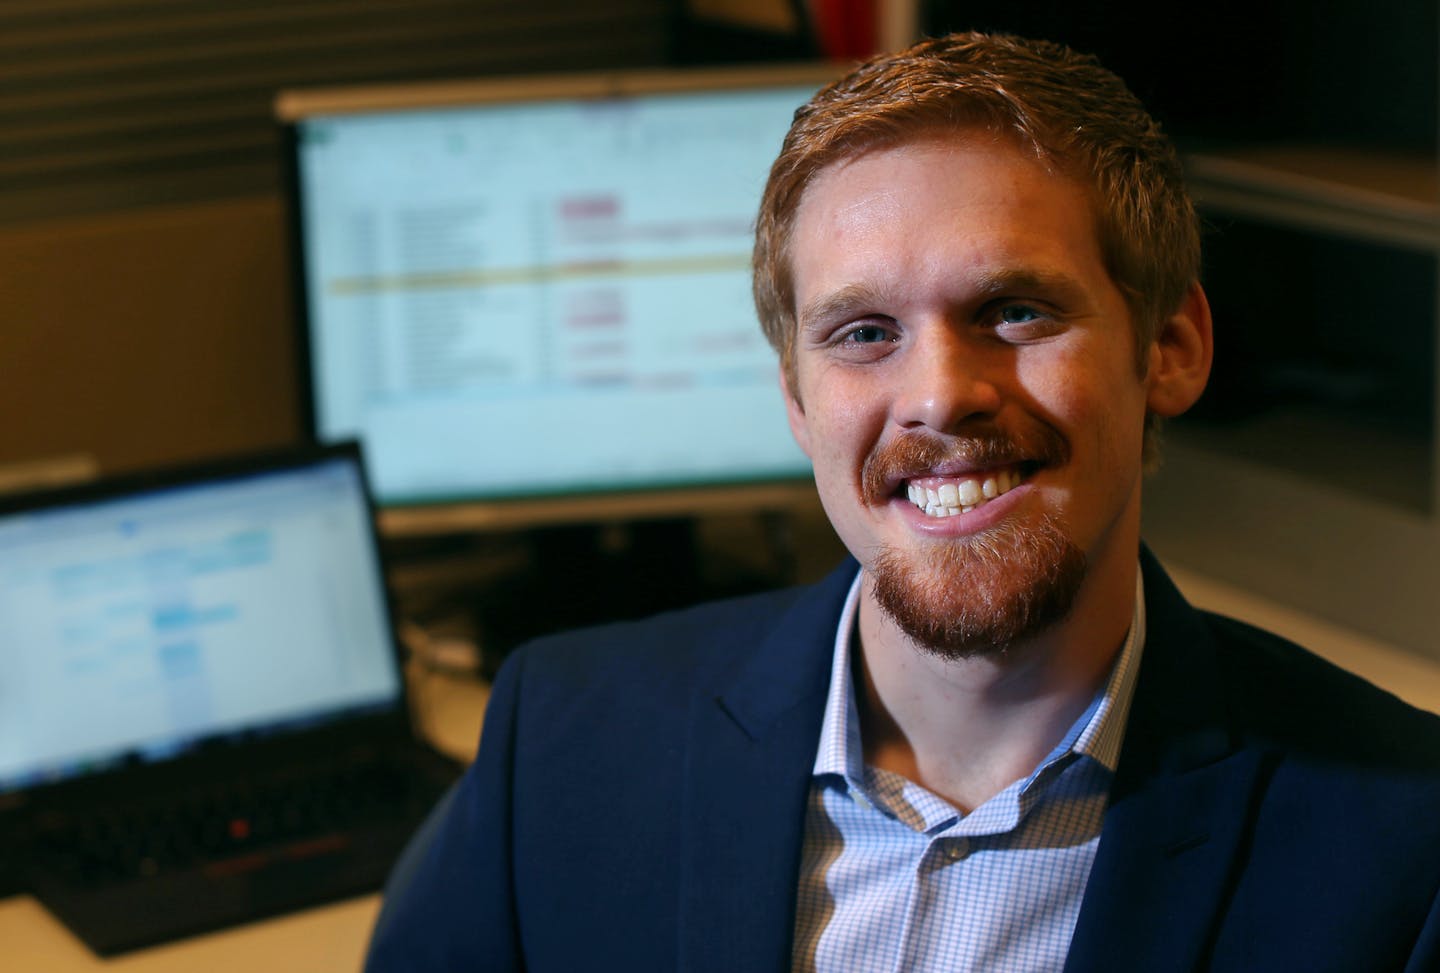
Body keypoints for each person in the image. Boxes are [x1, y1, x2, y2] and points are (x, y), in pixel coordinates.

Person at [365, 32, 1440, 972]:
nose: (936, 394)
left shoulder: (1403, 840)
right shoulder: (559, 739)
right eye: (864, 332)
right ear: (795, 397)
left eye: (1015, 310)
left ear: (1171, 348)